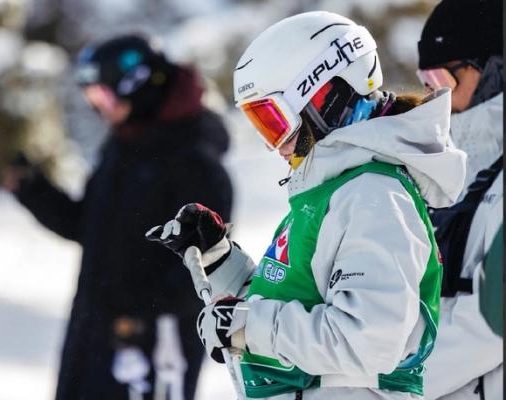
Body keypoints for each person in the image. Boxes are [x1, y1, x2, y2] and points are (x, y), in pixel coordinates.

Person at [148, 11, 467, 400]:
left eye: (274, 122)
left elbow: (369, 340)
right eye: (261, 126)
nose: (275, 146)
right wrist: (219, 260)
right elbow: (290, 303)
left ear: (325, 97)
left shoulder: (374, 197)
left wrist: (249, 327)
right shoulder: (334, 191)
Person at [2, 34, 233, 400]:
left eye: (104, 97)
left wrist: (136, 310)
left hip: (153, 346)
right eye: (92, 99)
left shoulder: (195, 163)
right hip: (94, 333)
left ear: (138, 86)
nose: (100, 110)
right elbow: (90, 226)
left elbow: (205, 270)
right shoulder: (123, 147)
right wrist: (34, 190)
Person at [416, 0, 503, 398]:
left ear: (495, 69)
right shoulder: (458, 178)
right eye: (426, 81)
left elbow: (489, 325)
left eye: (442, 78)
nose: (435, 98)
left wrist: (377, 387)